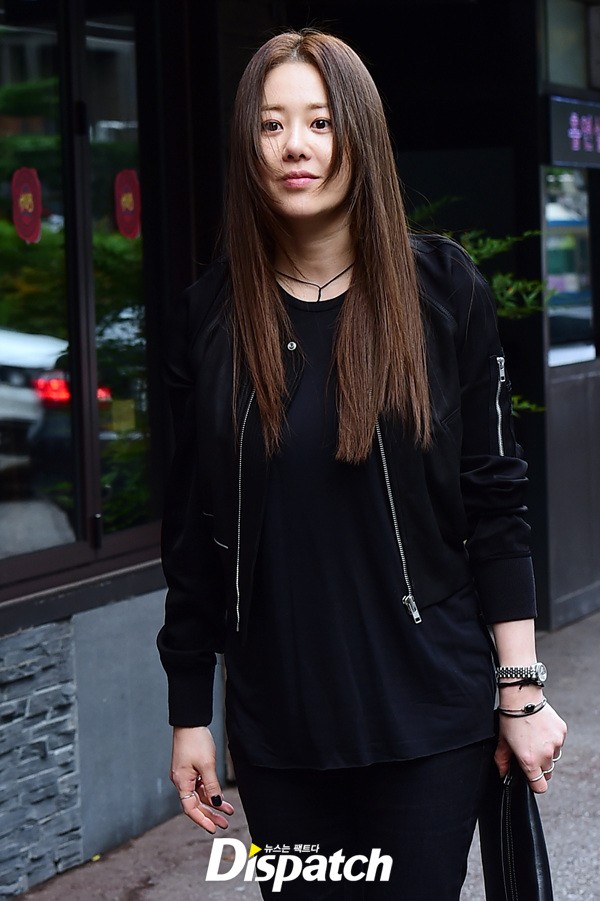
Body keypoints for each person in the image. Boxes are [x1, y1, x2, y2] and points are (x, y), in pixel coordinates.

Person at [157, 28, 567, 900]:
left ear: (360, 136)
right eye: (271, 125)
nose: (295, 146)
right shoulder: (210, 318)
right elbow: (192, 535)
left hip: (429, 717)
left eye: (320, 121)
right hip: (280, 731)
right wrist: (190, 712)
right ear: (249, 147)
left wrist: (521, 690)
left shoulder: (442, 291)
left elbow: (495, 500)